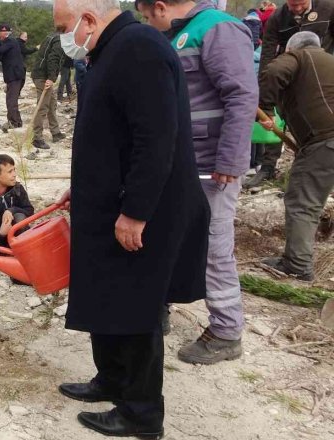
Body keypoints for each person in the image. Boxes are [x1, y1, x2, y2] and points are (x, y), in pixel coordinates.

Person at [52, 0, 210, 437]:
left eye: (66, 28)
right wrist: (81, 187)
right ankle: (112, 381)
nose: (65, 39)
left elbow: (155, 139)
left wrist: (135, 212)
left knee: (134, 307)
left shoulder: (138, 48)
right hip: (108, 202)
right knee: (105, 296)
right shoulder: (111, 50)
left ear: (88, 20)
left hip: (142, 210)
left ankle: (140, 414)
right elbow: (109, 135)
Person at [137, 0, 259, 366]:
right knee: (165, 236)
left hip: (210, 165)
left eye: (146, 16)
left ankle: (225, 330)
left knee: (212, 246)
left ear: (159, 6)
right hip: (180, 162)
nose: (147, 23)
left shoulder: (218, 28)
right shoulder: (179, 35)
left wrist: (231, 159)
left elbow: (241, 94)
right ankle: (160, 306)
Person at [259, 32, 334, 281]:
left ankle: (298, 265)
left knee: (303, 203)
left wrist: (265, 108)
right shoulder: (328, 62)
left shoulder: (301, 56)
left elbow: (273, 72)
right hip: (323, 141)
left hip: (324, 141)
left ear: (293, 48)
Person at [251, 0, 334, 188]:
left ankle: (312, 167)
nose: (296, 9)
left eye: (301, 4)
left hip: (319, 79)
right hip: (286, 78)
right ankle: (268, 166)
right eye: (292, 5)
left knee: (317, 124)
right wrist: (266, 91)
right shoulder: (277, 18)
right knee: (278, 122)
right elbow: (267, 53)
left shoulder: (329, 9)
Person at [28, 31, 67, 155]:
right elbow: (53, 58)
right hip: (43, 76)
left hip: (41, 74)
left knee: (52, 103)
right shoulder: (60, 39)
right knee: (43, 106)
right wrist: (51, 77)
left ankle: (56, 133)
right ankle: (37, 138)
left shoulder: (52, 36)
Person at [0, 24, 29, 130]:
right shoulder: (8, 43)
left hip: (15, 75)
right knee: (12, 99)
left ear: (5, 32)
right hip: (13, 75)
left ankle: (14, 122)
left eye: (0, 32)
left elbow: (0, 51)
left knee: (11, 100)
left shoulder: (10, 41)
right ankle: (17, 121)